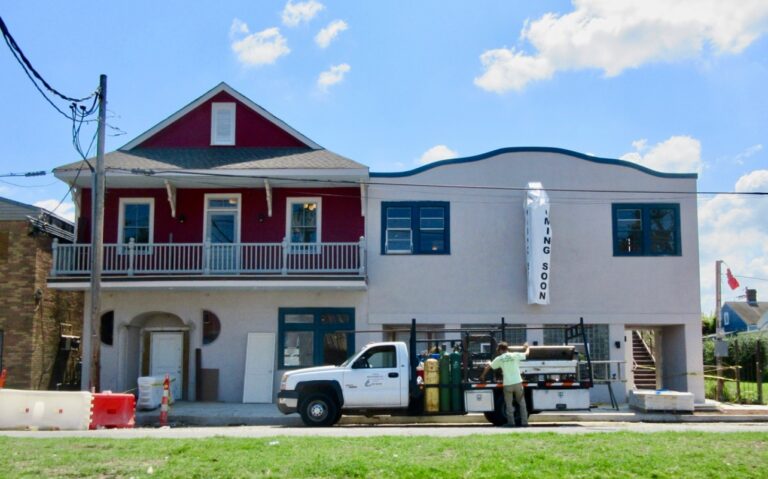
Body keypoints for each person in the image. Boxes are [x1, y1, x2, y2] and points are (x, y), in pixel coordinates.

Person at [479, 341, 530, 427]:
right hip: (518, 382)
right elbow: (526, 354)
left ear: (500, 350)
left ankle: (511, 423)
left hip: (508, 384)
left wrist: (482, 376)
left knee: (509, 404)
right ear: (507, 348)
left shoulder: (500, 358)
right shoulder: (514, 355)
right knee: (522, 403)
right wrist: (527, 347)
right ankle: (524, 423)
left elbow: (490, 367)